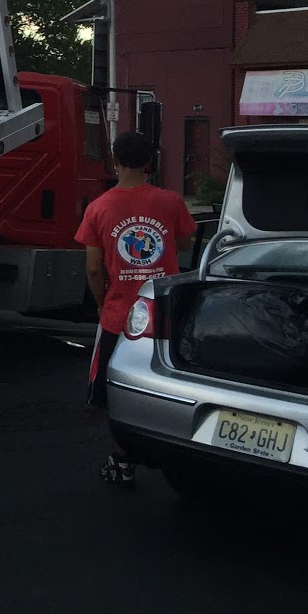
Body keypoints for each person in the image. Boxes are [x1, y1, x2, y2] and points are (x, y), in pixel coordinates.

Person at [75, 129, 196, 488]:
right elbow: (185, 243)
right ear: (148, 162)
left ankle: (125, 459)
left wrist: (101, 303)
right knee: (170, 387)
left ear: (114, 160)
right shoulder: (171, 202)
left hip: (118, 317)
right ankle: (172, 450)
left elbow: (94, 269)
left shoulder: (97, 208)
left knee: (112, 392)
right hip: (164, 315)